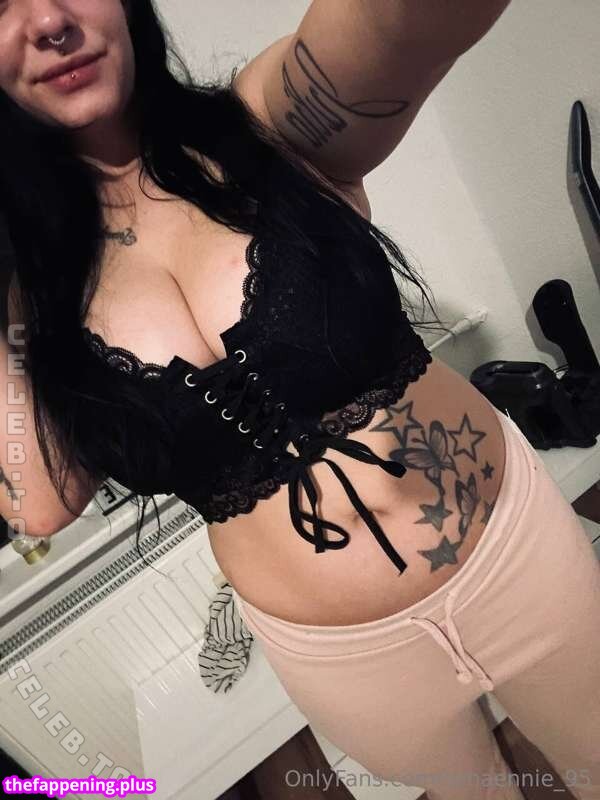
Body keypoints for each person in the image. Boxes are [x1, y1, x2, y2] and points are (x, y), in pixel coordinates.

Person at [1, 2, 599, 798]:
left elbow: (404, 23)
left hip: (514, 559)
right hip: (349, 661)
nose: (47, 19)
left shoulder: (269, 126)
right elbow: (38, 501)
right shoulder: (29, 294)